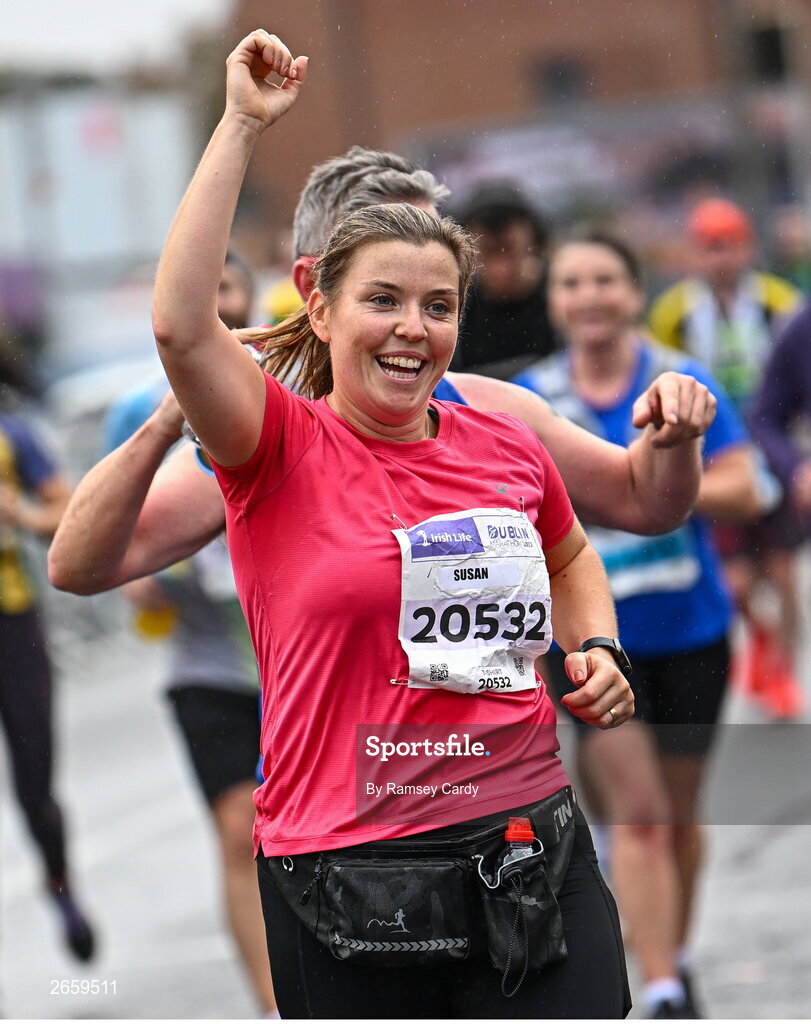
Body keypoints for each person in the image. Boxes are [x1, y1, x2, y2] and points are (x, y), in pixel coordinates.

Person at [148, 30, 637, 1018]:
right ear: (318, 310)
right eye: (382, 300)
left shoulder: (500, 438)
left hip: (522, 843)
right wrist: (242, 123)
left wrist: (596, 645)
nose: (414, 327)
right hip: (350, 873)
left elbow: (571, 549)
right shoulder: (273, 445)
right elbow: (180, 325)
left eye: (438, 304)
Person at [48, 165, 717, 599]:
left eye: (434, 262)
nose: (412, 307)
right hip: (341, 793)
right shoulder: (263, 439)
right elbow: (83, 565)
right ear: (317, 286)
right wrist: (169, 418)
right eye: (386, 256)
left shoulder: (494, 412)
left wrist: (673, 437)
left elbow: (642, 504)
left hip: (495, 790)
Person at [513, 228, 762, 1019]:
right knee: (641, 813)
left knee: (680, 817)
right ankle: (657, 989)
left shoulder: (676, 383)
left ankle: (671, 954)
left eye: (604, 281)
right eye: (571, 283)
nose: (588, 297)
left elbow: (747, 488)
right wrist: (591, 490)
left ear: (632, 292)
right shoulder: (533, 398)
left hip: (689, 629)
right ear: (552, 301)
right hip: (585, 642)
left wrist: (660, 467)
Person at [101, 252, 276, 1016]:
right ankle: (272, 1006)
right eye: (199, 301)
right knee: (240, 831)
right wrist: (144, 572)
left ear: (251, 303)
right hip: (207, 660)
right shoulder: (143, 407)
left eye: (227, 296)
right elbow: (109, 539)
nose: (217, 313)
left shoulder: (289, 393)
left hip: (300, 661)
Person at [649, 197, 805, 719]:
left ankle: (783, 669)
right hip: (715, 455)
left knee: (782, 568)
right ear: (694, 254)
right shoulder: (673, 313)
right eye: (710, 248)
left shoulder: (779, 303)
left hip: (773, 449)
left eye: (730, 246)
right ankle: (759, 641)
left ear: (747, 248)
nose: (721, 259)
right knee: (734, 576)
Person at [0, 391, 95, 962]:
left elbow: (64, 511)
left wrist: (22, 514)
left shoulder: (11, 432)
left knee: (37, 783)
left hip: (13, 624)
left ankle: (60, 886)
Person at [449, 181, 558, 378]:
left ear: (534, 239)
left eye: (507, 248)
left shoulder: (562, 292)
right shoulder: (456, 303)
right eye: (490, 251)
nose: (496, 228)